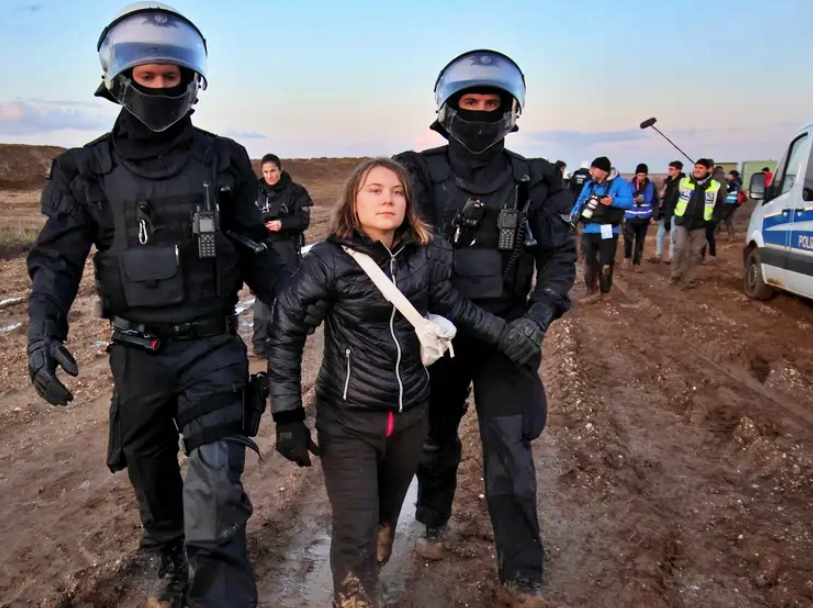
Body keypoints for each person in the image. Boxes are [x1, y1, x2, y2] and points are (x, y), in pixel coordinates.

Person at [24, 5, 321, 606]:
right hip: (136, 349)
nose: (162, 87)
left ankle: (220, 590)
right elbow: (56, 259)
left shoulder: (223, 159)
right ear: (118, 80)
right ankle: (164, 548)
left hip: (211, 344)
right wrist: (42, 330)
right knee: (148, 460)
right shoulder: (83, 169)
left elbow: (259, 252)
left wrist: (305, 304)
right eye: (148, 75)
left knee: (215, 478)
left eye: (172, 77)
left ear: (192, 82)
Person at [267, 157, 538, 608]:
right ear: (353, 200)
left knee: (383, 518)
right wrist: (288, 415)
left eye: (396, 191)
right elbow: (286, 331)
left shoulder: (424, 257)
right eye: (374, 190)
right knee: (355, 531)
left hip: (411, 416)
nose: (386, 198)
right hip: (349, 419)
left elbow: (458, 308)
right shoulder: (328, 261)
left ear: (409, 203)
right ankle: (353, 597)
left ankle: (383, 529)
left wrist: (513, 338)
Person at [392, 49, 576, 607]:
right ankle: (432, 518)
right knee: (434, 438)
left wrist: (539, 317)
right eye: (468, 102)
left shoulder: (535, 179)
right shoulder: (416, 172)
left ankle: (521, 573)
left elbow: (561, 257)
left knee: (510, 449)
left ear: (509, 110)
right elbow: (410, 260)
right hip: (438, 335)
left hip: (511, 336)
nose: (478, 112)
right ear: (447, 109)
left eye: (489, 103)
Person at [252, 153, 312, 358]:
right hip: (262, 248)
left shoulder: (295, 192)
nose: (269, 176)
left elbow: (303, 220)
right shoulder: (254, 192)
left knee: (288, 294)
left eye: (273, 171)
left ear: (280, 170)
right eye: (266, 172)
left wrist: (283, 224)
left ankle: (288, 341)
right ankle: (260, 344)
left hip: (286, 246)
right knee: (262, 296)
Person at [571, 157, 633, 300]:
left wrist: (614, 201)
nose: (591, 171)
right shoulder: (589, 185)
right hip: (588, 229)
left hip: (608, 230)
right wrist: (573, 218)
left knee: (605, 262)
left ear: (603, 171)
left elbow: (629, 202)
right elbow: (580, 201)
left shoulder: (619, 183)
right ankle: (590, 289)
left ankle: (604, 292)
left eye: (594, 168)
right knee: (588, 261)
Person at [671, 158, 726, 288]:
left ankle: (689, 279)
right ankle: (675, 274)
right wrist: (669, 217)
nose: (697, 170)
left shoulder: (714, 186)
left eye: (701, 168)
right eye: (696, 167)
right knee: (678, 248)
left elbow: (719, 206)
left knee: (695, 253)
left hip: (701, 225)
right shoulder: (684, 182)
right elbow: (673, 200)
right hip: (682, 222)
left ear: (708, 170)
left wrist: (714, 219)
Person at [622, 162, 656, 270]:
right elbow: (623, 199)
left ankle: (637, 263)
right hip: (630, 216)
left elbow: (655, 201)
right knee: (628, 240)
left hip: (644, 217)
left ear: (646, 175)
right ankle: (627, 258)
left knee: (640, 242)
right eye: (639, 175)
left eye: (643, 175)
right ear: (636, 174)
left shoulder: (651, 186)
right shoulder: (629, 185)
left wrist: (654, 216)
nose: (641, 177)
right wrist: (633, 200)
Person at [649, 160, 684, 264]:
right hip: (664, 211)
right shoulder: (667, 181)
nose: (670, 170)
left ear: (678, 170)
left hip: (675, 212)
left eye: (672, 169)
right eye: (669, 168)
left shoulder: (682, 182)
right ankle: (658, 255)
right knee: (660, 234)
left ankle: (671, 257)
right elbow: (662, 196)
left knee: (673, 235)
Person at [719, 169, 743, 240]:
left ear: (732, 175)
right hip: (734, 203)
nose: (728, 176)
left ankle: (731, 236)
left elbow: (726, 189)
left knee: (726, 219)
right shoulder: (737, 182)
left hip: (730, 203)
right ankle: (732, 236)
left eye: (729, 174)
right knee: (729, 220)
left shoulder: (731, 183)